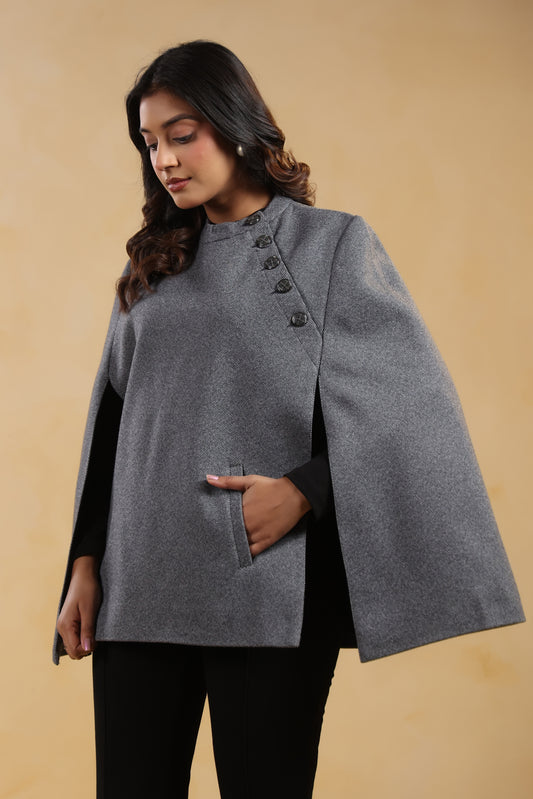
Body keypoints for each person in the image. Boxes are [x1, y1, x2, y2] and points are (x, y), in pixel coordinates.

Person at [54, 40, 525, 799]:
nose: (164, 159)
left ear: (234, 125)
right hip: (136, 583)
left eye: (182, 134)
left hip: (264, 583)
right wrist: (84, 562)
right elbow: (112, 422)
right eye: (149, 142)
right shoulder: (150, 262)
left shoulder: (332, 245)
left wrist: (306, 489)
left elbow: (409, 409)